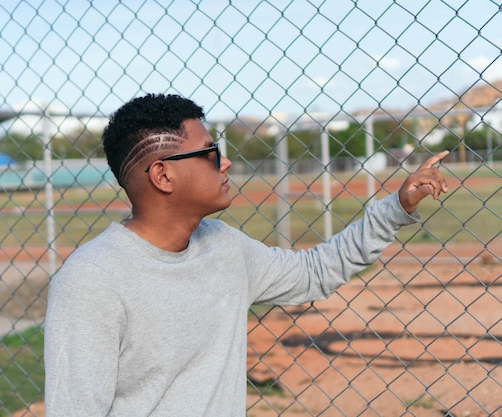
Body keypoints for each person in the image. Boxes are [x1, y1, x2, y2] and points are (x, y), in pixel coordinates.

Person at [44, 93, 448, 416]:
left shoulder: (223, 245)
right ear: (163, 175)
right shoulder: (91, 281)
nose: (226, 162)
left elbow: (315, 272)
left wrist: (396, 208)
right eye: (210, 152)